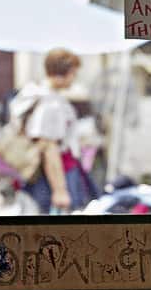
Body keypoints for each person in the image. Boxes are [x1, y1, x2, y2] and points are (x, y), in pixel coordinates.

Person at [8, 48, 98, 213]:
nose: (75, 77)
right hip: (53, 175)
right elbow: (49, 148)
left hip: (38, 173)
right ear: (68, 71)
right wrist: (60, 190)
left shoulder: (32, 94)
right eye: (74, 73)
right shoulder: (50, 103)